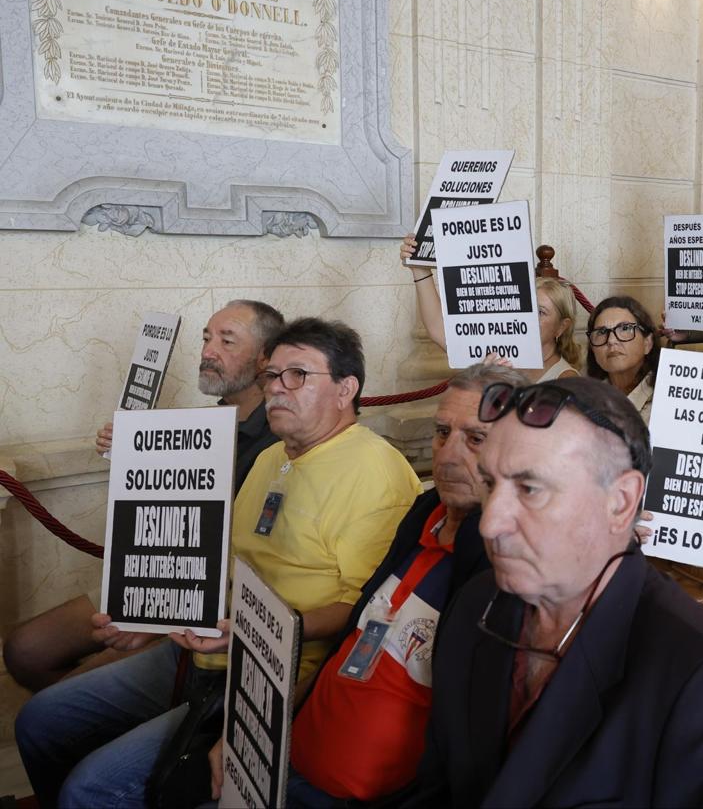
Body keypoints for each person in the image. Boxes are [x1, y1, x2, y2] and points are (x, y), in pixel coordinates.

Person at [15, 317, 423, 808]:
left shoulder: (375, 473)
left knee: (93, 788)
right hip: (201, 648)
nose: (277, 389)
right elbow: (225, 563)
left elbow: (363, 611)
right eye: (271, 376)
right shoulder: (273, 457)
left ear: (345, 389)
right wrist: (158, 618)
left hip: (276, 676)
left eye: (297, 375)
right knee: (41, 720)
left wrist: (248, 634)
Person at [404, 377, 703, 807]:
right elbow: (437, 785)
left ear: (620, 502)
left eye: (529, 489)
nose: (490, 523)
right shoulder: (474, 604)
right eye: (490, 485)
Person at [207, 363, 527, 806]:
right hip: (284, 762)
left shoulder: (507, 563)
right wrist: (256, 726)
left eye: (475, 439)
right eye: (440, 432)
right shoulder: (423, 515)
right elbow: (348, 645)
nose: (448, 454)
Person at [3, 299, 284, 693]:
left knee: (58, 706)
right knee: (25, 649)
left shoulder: (282, 435)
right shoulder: (201, 425)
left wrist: (154, 622)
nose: (207, 351)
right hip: (154, 575)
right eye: (206, 338)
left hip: (208, 598)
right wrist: (134, 451)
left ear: (264, 359)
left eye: (226, 341)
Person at [399, 234, 582, 382]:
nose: (528, 318)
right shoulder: (500, 355)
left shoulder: (566, 380)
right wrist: (419, 269)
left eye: (540, 312)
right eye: (525, 308)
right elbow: (439, 329)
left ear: (562, 326)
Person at [586, 294, 659, 422]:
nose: (611, 341)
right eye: (602, 332)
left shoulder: (667, 400)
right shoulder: (585, 399)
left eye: (625, 328)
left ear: (648, 343)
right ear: (592, 349)